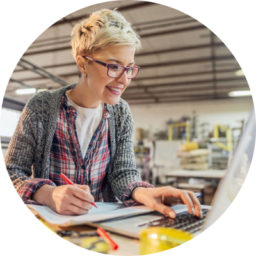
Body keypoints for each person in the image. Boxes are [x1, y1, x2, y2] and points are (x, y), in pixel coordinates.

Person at [5, 9, 201, 218]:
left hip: (102, 230)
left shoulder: (121, 113)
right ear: (82, 63)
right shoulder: (41, 107)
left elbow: (122, 173)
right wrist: (47, 194)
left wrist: (147, 193)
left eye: (130, 69)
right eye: (114, 66)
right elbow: (11, 173)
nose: (125, 80)